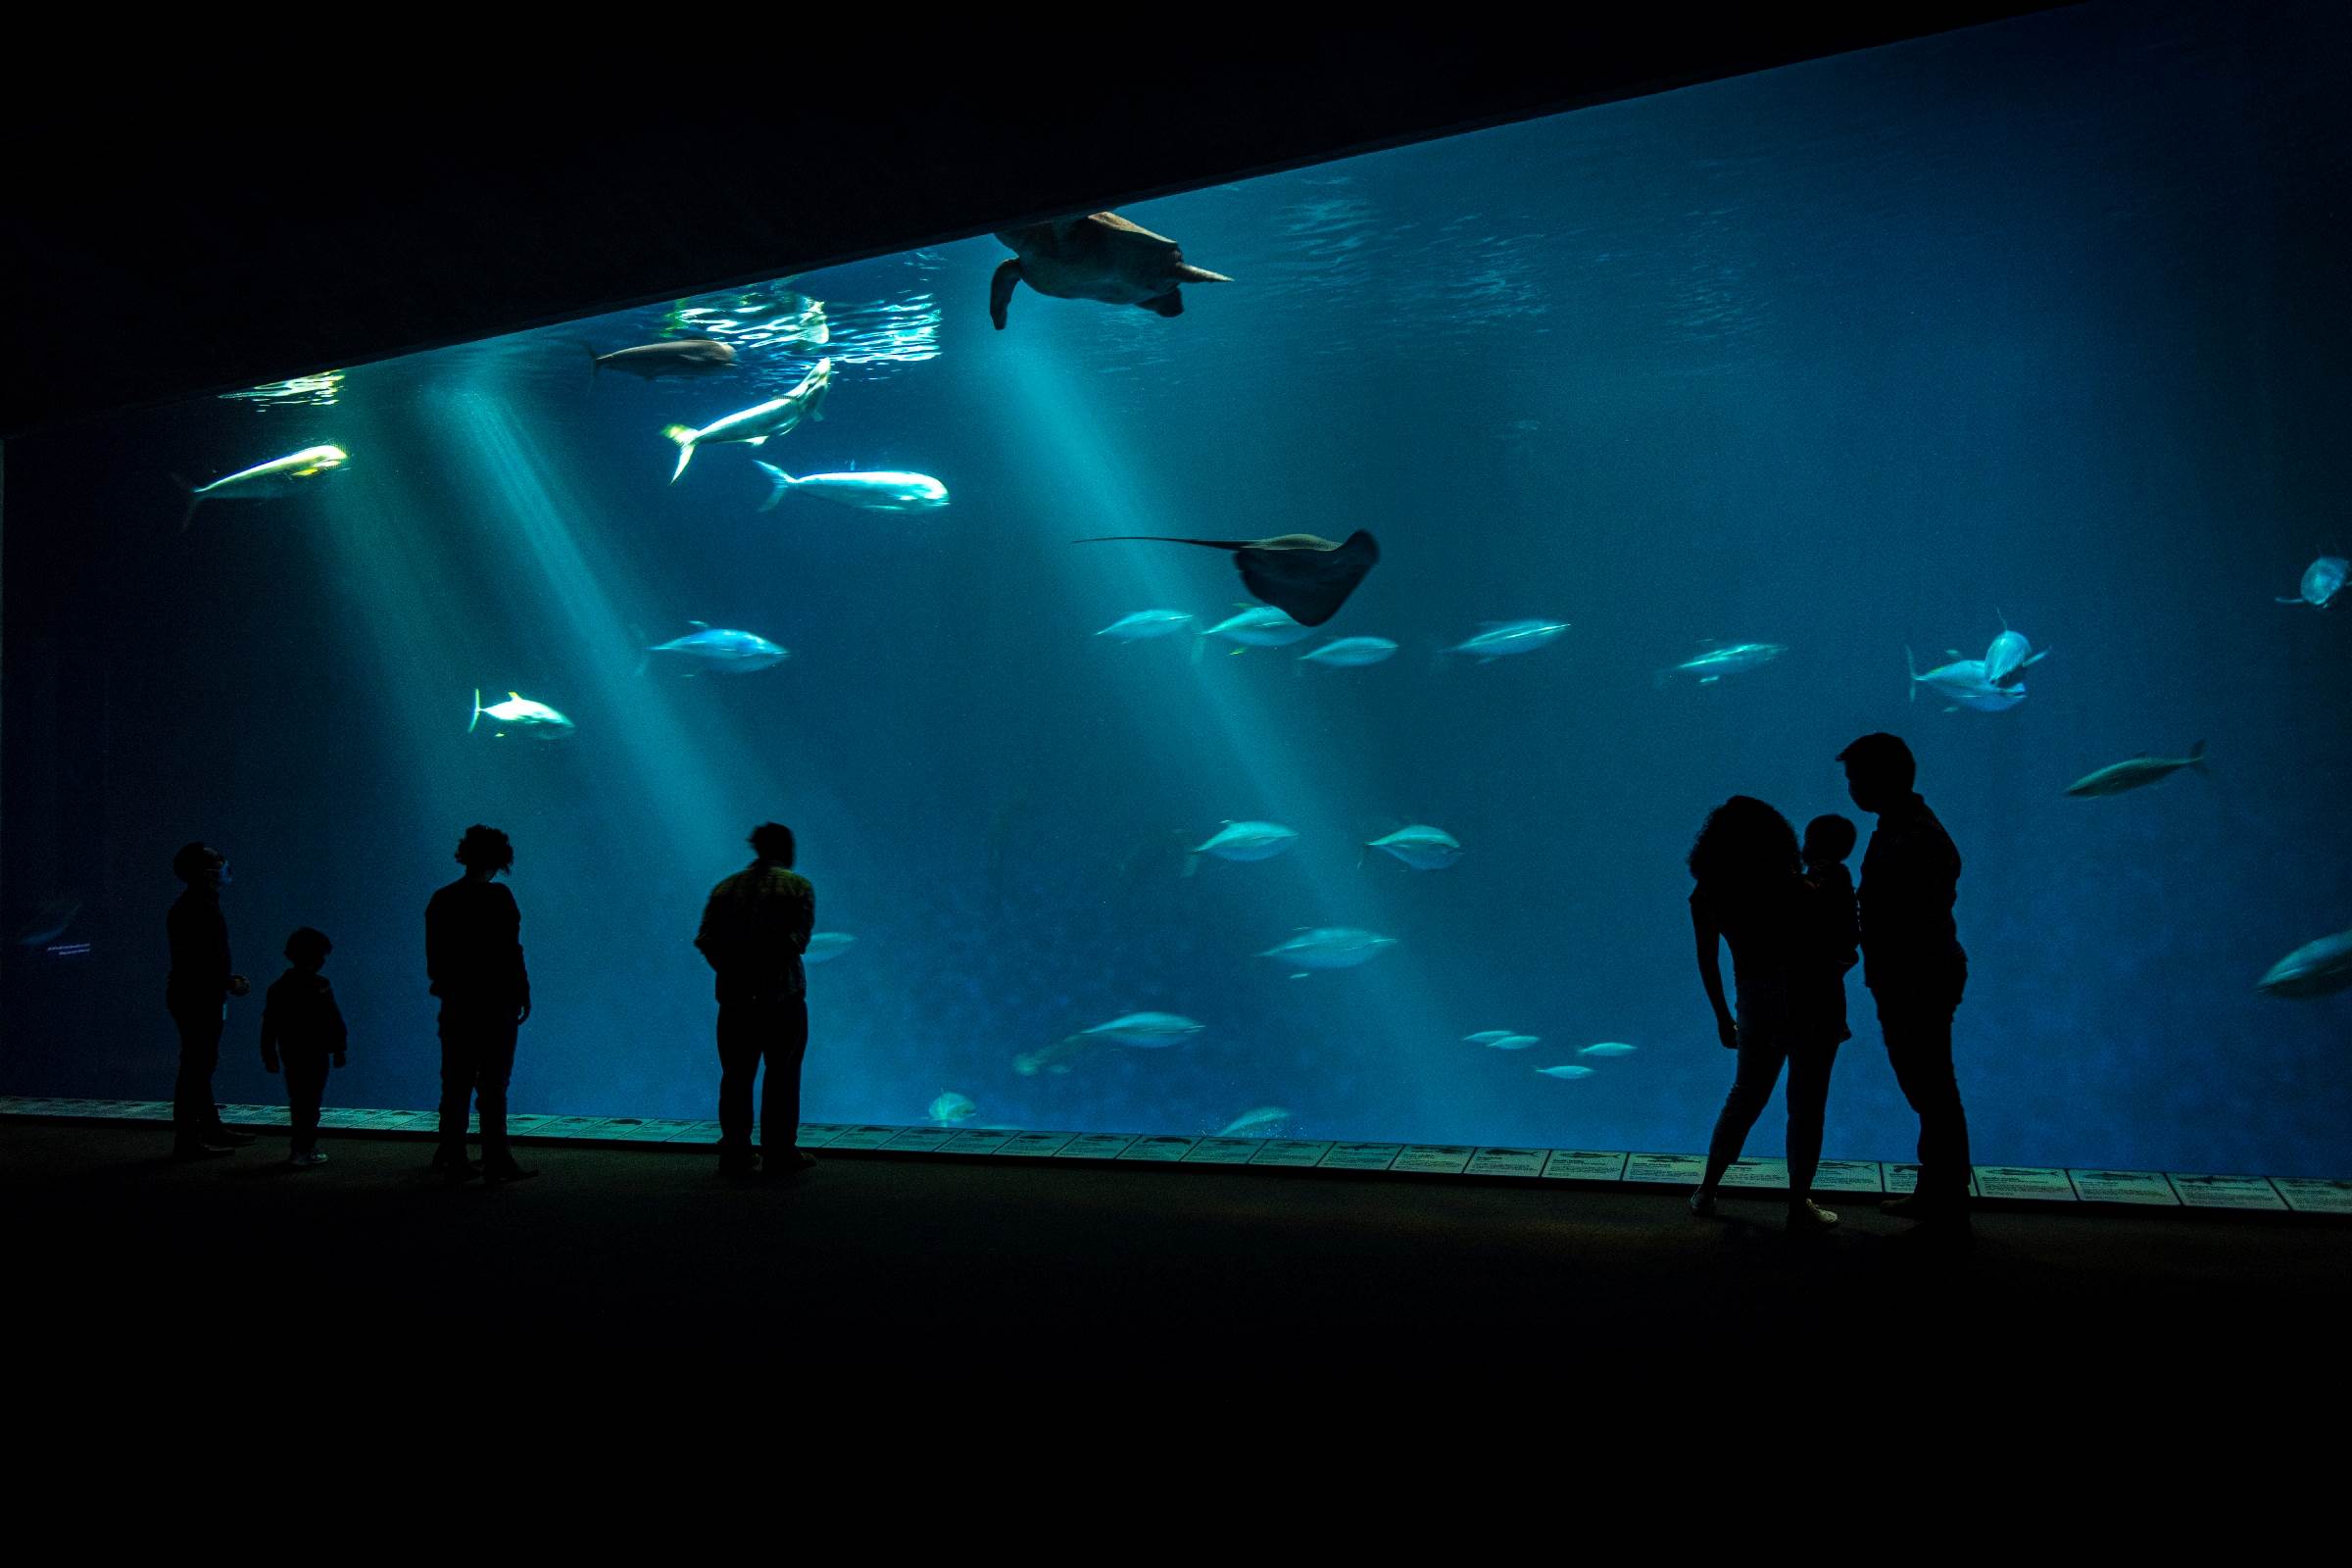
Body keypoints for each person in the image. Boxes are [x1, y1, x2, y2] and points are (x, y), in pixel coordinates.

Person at [1685, 797, 1841, 1234]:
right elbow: (1832, 943)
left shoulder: (1708, 891)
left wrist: (1722, 1016)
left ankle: (1707, 1191)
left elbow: (1707, 960)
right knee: (1806, 1105)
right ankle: (1797, 1203)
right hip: (1811, 997)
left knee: (1746, 1095)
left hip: (1755, 998)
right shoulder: (1792, 884)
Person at [1838, 732, 1971, 1226]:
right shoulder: (1899, 827)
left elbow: (1900, 912)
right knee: (1928, 1085)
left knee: (1931, 1086)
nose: (1851, 788)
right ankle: (1940, 1188)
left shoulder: (1915, 836)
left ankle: (1945, 1194)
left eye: (1856, 778)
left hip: (1918, 977)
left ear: (1882, 779)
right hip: (1911, 974)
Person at [696, 822, 816, 1179]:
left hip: (734, 1000)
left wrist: (732, 970)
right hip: (783, 999)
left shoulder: (725, 888)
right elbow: (797, 941)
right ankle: (779, 1152)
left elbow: (705, 939)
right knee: (783, 1075)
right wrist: (766, 972)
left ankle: (735, 1152)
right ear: (786, 849)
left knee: (736, 1076)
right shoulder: (798, 887)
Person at [424, 825, 535, 1185]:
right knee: (494, 1084)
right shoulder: (500, 898)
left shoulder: (442, 899)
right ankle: (496, 1157)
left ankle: (454, 1156)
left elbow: (436, 960)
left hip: (458, 1004)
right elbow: (512, 950)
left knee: (455, 1082)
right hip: (497, 1004)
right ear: (500, 860)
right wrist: (521, 991)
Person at [166, 842, 253, 1159]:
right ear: (205, 872)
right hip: (197, 998)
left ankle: (210, 1128)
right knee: (196, 1067)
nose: (224, 863)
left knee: (201, 1064)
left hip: (200, 994)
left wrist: (224, 980)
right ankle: (187, 1140)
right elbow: (198, 961)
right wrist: (228, 981)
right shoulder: (196, 907)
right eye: (217, 860)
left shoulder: (199, 903)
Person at [260, 927, 348, 1168]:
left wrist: (269, 1053)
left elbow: (269, 1024)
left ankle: (300, 1147)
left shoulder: (278, 987)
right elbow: (333, 1019)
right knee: (311, 1100)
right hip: (316, 1052)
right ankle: (304, 1148)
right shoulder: (321, 985)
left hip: (291, 1052)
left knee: (298, 1098)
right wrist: (339, 1048)